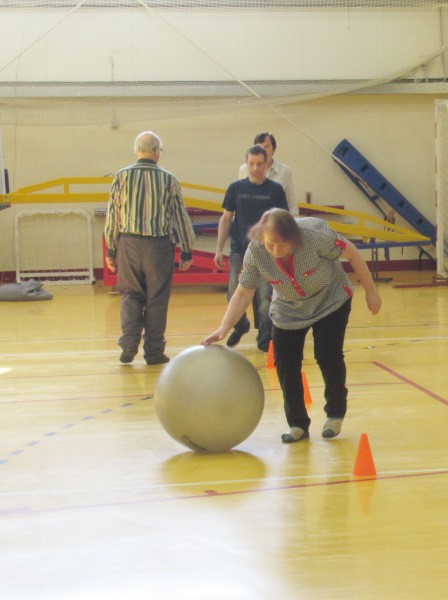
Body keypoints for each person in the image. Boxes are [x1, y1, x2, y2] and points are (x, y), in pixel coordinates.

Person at [203, 208, 382, 443]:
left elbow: (354, 254)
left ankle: (335, 413)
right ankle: (297, 424)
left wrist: (371, 293)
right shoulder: (255, 251)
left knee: (327, 355)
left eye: (282, 245)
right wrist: (223, 328)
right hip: (288, 308)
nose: (276, 250)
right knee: (285, 363)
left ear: (294, 238)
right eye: (271, 244)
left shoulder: (315, 235)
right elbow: (243, 292)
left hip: (331, 299)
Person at [104, 131, 195, 365]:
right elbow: (180, 217)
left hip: (129, 244)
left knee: (130, 295)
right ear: (156, 151)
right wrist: (187, 250)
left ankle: (129, 344)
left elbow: (113, 216)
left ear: (137, 151)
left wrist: (111, 250)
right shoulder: (169, 179)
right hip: (159, 247)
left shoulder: (121, 177)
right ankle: (154, 352)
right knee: (156, 299)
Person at [215, 145, 289, 352]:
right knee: (233, 292)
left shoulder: (275, 190)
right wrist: (219, 249)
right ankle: (240, 324)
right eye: (251, 163)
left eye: (259, 164)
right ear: (246, 164)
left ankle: (265, 338)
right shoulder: (235, 188)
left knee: (265, 296)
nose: (255, 168)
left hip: (267, 251)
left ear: (266, 165)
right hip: (239, 250)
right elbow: (226, 218)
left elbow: (282, 221)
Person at [239, 132, 298, 216]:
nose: (263, 150)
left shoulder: (285, 171)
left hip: (275, 220)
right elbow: (240, 202)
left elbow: (291, 205)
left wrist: (293, 222)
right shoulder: (244, 169)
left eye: (266, 147)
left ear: (274, 149)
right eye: (259, 147)